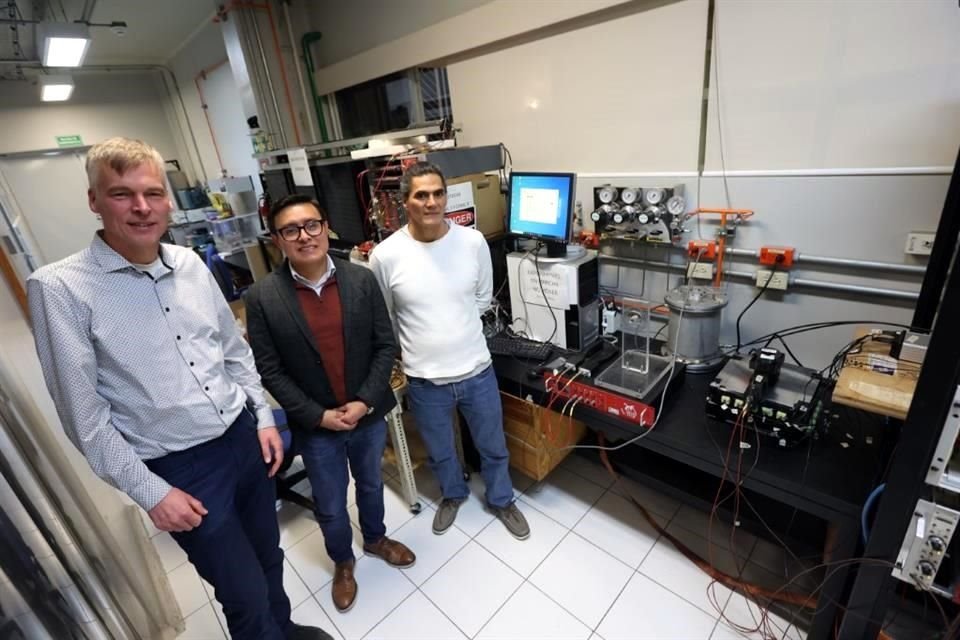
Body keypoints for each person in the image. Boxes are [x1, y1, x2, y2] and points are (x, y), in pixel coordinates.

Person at [27, 137, 332, 640]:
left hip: (242, 441)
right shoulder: (60, 289)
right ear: (94, 201)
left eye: (153, 192)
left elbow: (234, 353)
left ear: (169, 199)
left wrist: (259, 419)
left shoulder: (190, 265)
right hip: (180, 468)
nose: (142, 207)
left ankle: (286, 631)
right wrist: (151, 492)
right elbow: (86, 419)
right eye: (122, 194)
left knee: (269, 559)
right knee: (241, 591)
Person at [245, 194, 415, 614]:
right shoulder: (262, 298)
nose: (305, 236)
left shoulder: (360, 279)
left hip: (367, 415)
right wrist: (315, 414)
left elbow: (384, 346)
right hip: (316, 425)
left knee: (373, 484)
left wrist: (364, 401)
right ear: (278, 240)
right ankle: (343, 560)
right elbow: (269, 369)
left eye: (312, 225)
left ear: (325, 227)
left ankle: (375, 538)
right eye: (291, 229)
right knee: (330, 502)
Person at [369, 161, 530, 540]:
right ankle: (452, 495)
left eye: (437, 193)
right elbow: (386, 316)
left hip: (476, 370)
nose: (431, 202)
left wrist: (454, 329)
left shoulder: (472, 242)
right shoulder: (386, 255)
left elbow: (482, 298)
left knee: (493, 446)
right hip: (425, 380)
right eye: (421, 195)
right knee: (441, 451)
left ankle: (502, 499)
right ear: (405, 202)